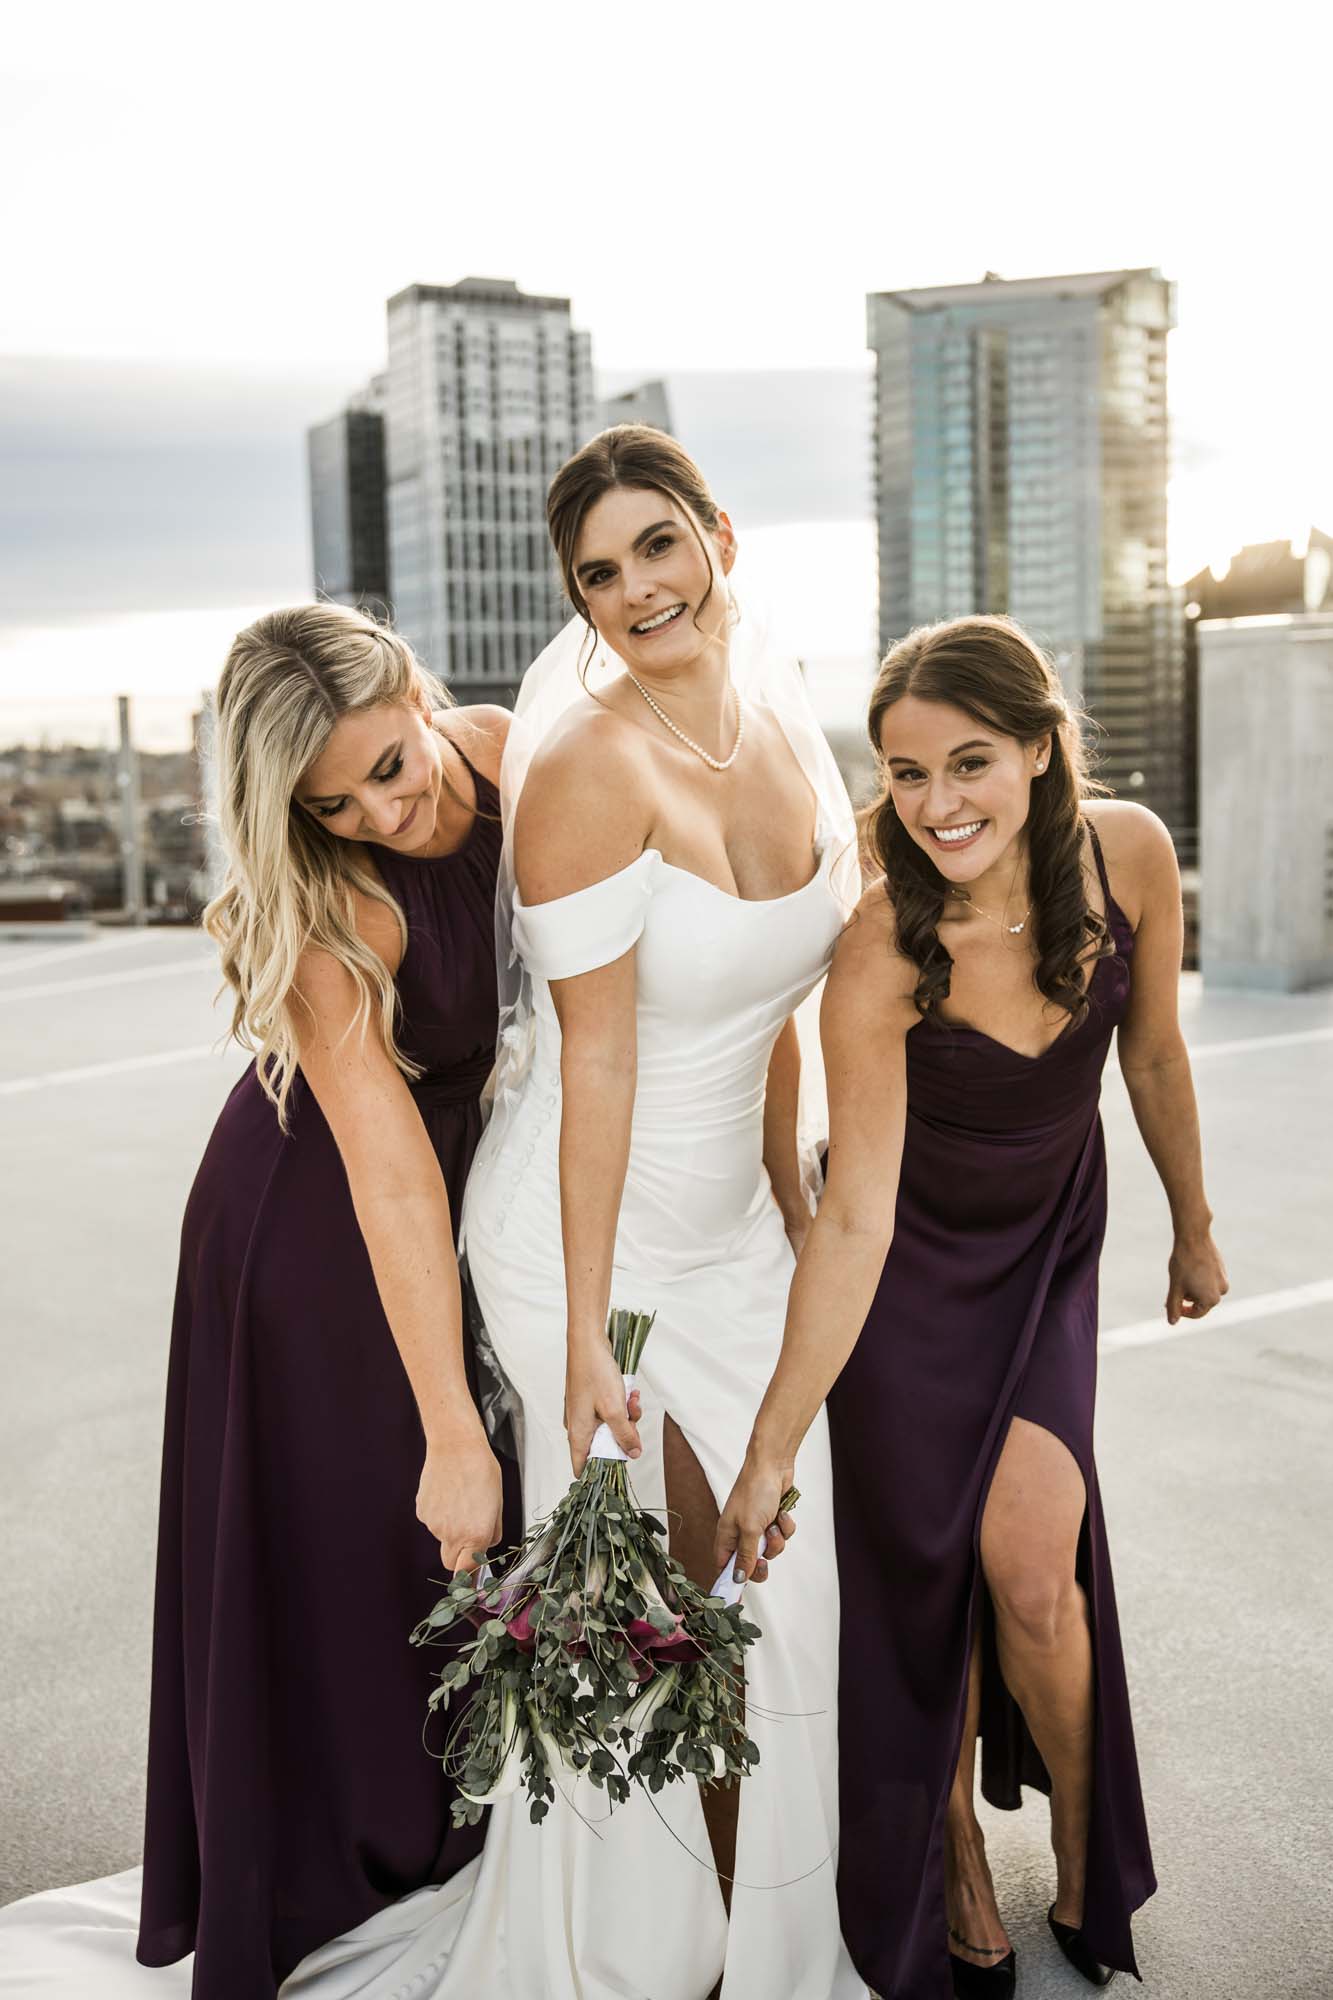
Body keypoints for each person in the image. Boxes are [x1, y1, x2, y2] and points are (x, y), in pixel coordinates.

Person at [716, 615, 1228, 1999]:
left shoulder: (1130, 853)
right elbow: (860, 1211)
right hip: (906, 1283)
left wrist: (1191, 1224)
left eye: (969, 762)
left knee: (1028, 1579)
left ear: (1042, 751)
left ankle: (1079, 1840)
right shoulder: (881, 945)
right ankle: (946, 1856)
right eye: (903, 773)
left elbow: (1156, 1056)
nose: (937, 803)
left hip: (1047, 1252)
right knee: (916, 1591)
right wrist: (773, 1441)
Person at [451, 426, 868, 1999]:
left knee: (780, 1577)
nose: (635, 590)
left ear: (720, 541)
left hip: (737, 1235)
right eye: (599, 574)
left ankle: (768, 1937)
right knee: (649, 1590)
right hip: (594, 1246)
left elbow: (770, 1015)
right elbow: (598, 1064)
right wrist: (576, 1350)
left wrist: (789, 1191)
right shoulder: (582, 768)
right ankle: (631, 1957)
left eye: (656, 547)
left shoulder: (783, 720)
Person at [127, 604, 517, 1998]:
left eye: (390, 769)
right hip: (317, 1231)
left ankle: (458, 1826)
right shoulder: (333, 901)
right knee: (385, 1533)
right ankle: (335, 1854)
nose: (379, 814)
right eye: (331, 800)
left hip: (460, 1200)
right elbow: (391, 1174)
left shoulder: (514, 756)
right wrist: (452, 1426)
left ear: (422, 692)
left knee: (432, 1550)